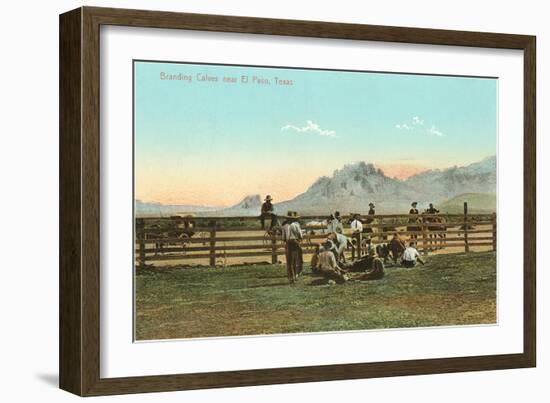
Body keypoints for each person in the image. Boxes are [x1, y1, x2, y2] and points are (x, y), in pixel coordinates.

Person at [281, 211, 303, 283]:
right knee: (295, 259)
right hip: (295, 242)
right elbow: (300, 235)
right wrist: (298, 240)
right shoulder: (296, 225)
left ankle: (291, 277)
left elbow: (283, 238)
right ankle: (296, 275)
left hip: (288, 243)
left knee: (289, 261)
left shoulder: (284, 226)